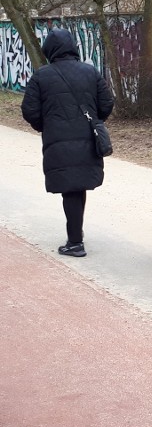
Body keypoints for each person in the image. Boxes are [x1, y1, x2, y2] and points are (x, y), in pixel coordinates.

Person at [21, 28, 115, 258]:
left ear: (50, 50)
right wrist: (94, 120)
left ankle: (75, 242)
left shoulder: (41, 76)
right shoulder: (90, 72)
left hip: (58, 140)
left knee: (70, 189)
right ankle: (76, 234)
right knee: (77, 186)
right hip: (86, 138)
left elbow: (29, 110)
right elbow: (107, 103)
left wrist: (45, 125)